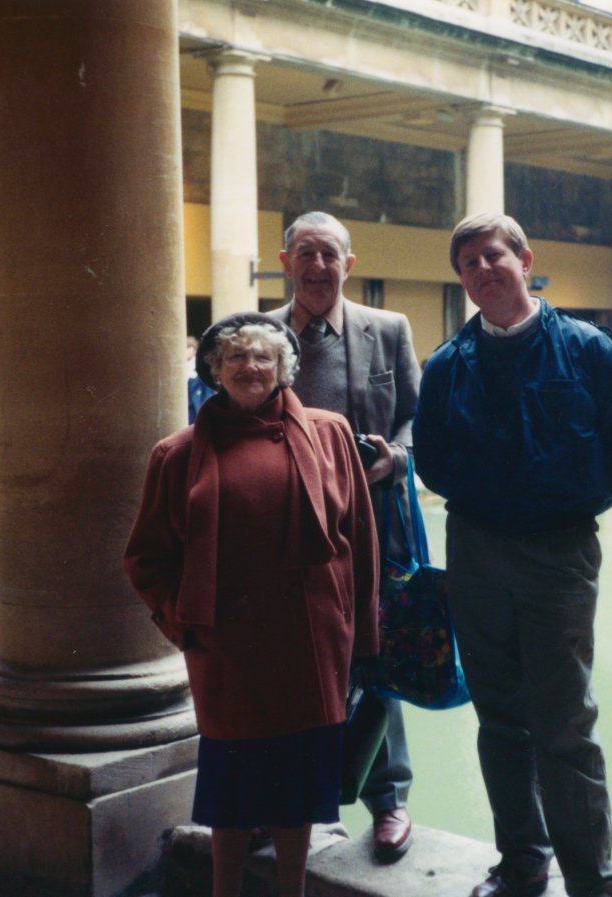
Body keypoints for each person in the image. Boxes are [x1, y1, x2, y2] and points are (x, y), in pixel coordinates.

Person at [414, 214, 612, 897]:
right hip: (477, 553)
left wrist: (563, 503)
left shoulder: (588, 351)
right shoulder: (446, 365)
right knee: (499, 718)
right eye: (469, 264)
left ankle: (592, 881)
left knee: (565, 724)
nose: (484, 270)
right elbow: (432, 461)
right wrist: (495, 500)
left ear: (525, 258)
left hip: (559, 556)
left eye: (494, 255)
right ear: (462, 280)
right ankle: (523, 862)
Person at [123, 312, 378, 897]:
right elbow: (145, 560)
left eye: (263, 357)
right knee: (231, 794)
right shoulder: (176, 454)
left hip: (311, 646)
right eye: (235, 357)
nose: (250, 367)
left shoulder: (331, 433)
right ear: (215, 370)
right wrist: (184, 625)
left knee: (298, 788)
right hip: (227, 651)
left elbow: (360, 542)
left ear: (284, 367)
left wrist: (359, 635)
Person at [266, 210, 422, 862]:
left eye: (330, 253)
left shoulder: (388, 330)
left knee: (375, 660)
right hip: (283, 531)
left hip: (373, 527)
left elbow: (418, 420)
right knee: (283, 665)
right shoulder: (258, 335)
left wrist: (398, 459)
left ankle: (387, 799)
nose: (318, 265)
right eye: (306, 251)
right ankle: (276, 803)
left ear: (348, 264)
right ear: (285, 261)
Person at [186, 336, 214, 424]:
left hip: (198, 405)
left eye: (188, 347)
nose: (185, 351)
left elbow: (207, 393)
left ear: (194, 350)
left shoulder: (200, 368)